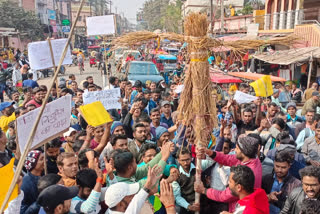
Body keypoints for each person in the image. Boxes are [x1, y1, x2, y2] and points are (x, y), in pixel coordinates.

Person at [195, 136, 262, 212]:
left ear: (244, 152)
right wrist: (209, 153)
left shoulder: (246, 174)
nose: (234, 150)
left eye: (237, 148)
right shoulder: (251, 159)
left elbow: (225, 195)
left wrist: (204, 190)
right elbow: (228, 159)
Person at [172, 147, 213, 213]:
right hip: (187, 209)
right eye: (182, 160)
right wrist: (189, 206)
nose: (185, 163)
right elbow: (177, 197)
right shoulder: (176, 175)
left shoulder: (199, 166)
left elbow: (212, 159)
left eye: (187, 159)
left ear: (191, 158)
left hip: (204, 207)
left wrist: (205, 154)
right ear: (178, 160)